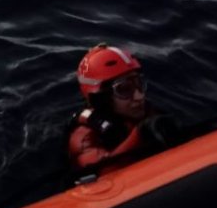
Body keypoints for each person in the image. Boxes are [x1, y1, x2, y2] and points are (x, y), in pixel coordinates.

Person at [67, 43, 180, 175]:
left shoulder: (147, 111)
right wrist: (140, 135)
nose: (139, 96)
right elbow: (101, 171)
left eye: (139, 84)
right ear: (102, 98)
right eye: (124, 89)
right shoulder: (83, 137)